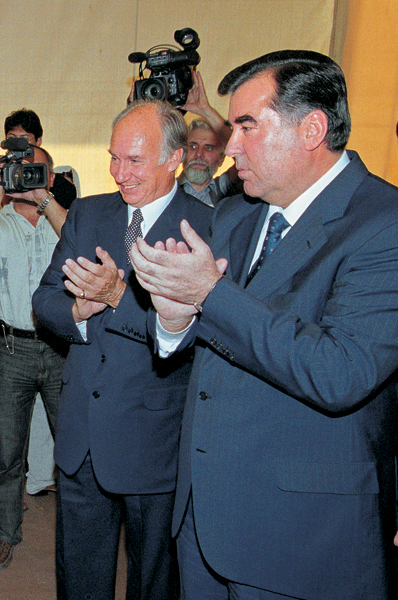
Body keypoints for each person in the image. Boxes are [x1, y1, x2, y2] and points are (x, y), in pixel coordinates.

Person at [130, 50, 398, 599]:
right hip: (204, 517)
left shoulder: (382, 224)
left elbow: (340, 372)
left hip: (300, 532)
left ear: (312, 129)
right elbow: (212, 344)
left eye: (248, 126)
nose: (230, 146)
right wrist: (176, 321)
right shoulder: (235, 215)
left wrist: (210, 294)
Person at [32, 100, 212, 600]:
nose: (119, 173)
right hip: (82, 434)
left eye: (134, 161)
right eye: (114, 158)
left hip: (156, 438)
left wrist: (115, 296)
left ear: (174, 158)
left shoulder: (206, 229)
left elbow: (200, 337)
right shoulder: (88, 214)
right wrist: (77, 314)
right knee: (80, 575)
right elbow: (44, 300)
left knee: (154, 578)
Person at [0, 143, 68, 569]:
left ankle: (84, 528)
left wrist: (46, 199)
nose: (26, 175)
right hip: (8, 347)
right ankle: (4, 532)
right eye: (19, 169)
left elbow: (87, 243)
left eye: (35, 169)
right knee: (7, 449)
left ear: (51, 176)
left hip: (63, 347)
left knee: (75, 443)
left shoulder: (63, 217)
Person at [178, 70, 240, 207]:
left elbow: (247, 155)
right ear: (181, 153)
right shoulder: (165, 191)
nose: (199, 154)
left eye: (209, 148)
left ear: (222, 158)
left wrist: (204, 110)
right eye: (192, 146)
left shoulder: (227, 192)